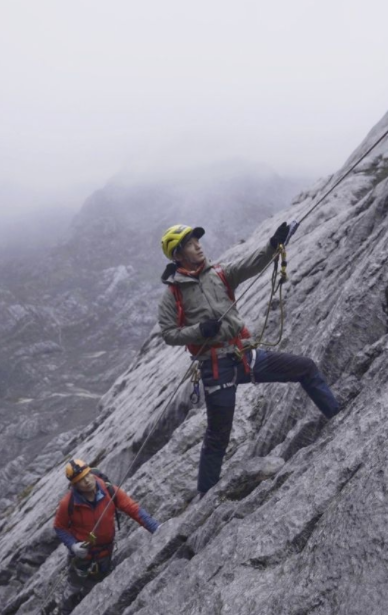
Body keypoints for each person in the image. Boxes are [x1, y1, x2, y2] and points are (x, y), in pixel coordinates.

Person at [157, 223, 341, 497]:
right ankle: (205, 498)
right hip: (215, 366)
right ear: (178, 254)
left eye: (197, 240)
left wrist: (272, 244)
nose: (198, 245)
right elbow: (169, 334)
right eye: (190, 243)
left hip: (244, 355)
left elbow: (251, 264)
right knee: (218, 436)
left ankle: (339, 420)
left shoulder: (219, 273)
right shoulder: (173, 295)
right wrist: (199, 331)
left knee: (305, 368)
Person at [53, 459, 159, 614]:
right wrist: (73, 545)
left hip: (104, 554)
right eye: (80, 480)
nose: (87, 481)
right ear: (74, 485)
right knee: (73, 588)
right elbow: (59, 527)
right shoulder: (68, 503)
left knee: (95, 587)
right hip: (82, 556)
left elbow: (133, 509)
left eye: (87, 475)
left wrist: (156, 528)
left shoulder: (109, 491)